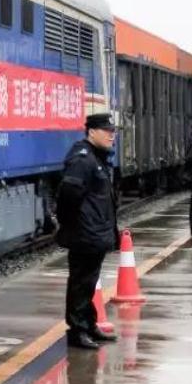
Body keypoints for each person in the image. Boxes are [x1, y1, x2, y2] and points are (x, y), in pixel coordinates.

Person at [56, 113, 120, 350]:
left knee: (89, 282)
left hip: (94, 233)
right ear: (91, 131)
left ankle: (89, 324)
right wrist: (73, 226)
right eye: (107, 131)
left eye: (113, 132)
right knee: (80, 283)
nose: (111, 136)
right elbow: (68, 197)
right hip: (85, 234)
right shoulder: (83, 159)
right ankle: (77, 331)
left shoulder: (97, 157)